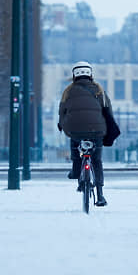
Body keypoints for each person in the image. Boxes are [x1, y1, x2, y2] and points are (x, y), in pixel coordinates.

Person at [57, 61, 117, 207]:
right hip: (97, 131)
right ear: (90, 74)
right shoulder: (99, 90)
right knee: (96, 160)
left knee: (75, 143)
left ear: (74, 75)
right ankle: (100, 195)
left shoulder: (68, 91)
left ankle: (76, 171)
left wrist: (61, 124)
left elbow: (62, 111)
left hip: (75, 130)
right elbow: (108, 110)